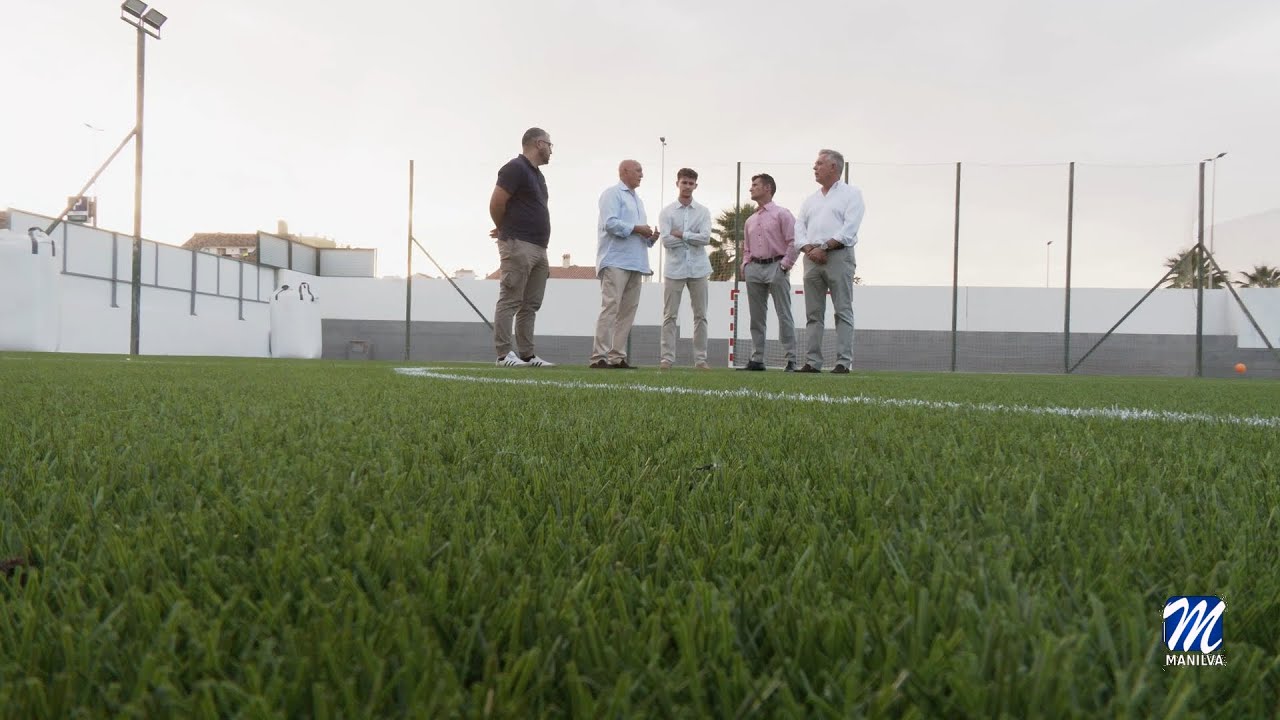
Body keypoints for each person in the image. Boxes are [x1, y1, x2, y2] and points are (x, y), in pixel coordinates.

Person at [488, 127, 556, 367]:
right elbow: (496, 202)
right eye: (550, 145)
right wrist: (504, 228)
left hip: (539, 248)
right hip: (518, 244)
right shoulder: (514, 168)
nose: (551, 150)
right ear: (539, 144)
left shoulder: (538, 176)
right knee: (510, 299)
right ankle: (503, 355)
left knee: (531, 304)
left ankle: (527, 355)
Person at [793, 149, 865, 374]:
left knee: (842, 309)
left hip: (839, 257)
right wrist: (809, 249)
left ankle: (843, 362)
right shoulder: (810, 200)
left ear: (834, 167)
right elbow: (799, 227)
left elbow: (850, 227)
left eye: (819, 164)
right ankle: (812, 362)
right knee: (813, 313)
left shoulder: (851, 194)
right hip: (811, 259)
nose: (815, 168)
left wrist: (824, 247)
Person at [591, 159, 658, 369]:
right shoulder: (612, 194)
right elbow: (610, 224)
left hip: (636, 262)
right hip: (615, 260)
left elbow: (637, 232)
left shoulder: (639, 201)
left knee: (627, 312)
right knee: (610, 307)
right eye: (638, 170)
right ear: (625, 171)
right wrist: (638, 229)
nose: (641, 174)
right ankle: (599, 357)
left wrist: (650, 238)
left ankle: (617, 356)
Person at [738, 173, 799, 372]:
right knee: (756, 316)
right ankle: (757, 359)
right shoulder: (750, 220)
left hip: (776, 266)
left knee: (784, 314)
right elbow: (746, 248)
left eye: (755, 185)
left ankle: (791, 359)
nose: (751, 188)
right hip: (754, 269)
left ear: (767, 188)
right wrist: (745, 265)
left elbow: (794, 241)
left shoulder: (782, 214)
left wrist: (785, 265)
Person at [658, 168, 713, 370]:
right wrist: (692, 236)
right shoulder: (667, 212)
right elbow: (666, 241)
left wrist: (681, 234)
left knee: (701, 315)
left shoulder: (703, 212)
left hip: (698, 269)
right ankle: (667, 358)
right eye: (684, 182)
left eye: (691, 183)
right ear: (677, 183)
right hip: (674, 269)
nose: (687, 186)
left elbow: (706, 238)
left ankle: (700, 359)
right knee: (670, 315)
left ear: (695, 186)